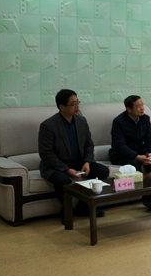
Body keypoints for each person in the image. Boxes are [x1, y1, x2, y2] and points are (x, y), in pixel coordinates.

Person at [39, 89, 110, 217]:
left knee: (103, 171)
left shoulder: (81, 121)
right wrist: (67, 170)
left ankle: (84, 207)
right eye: (73, 104)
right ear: (61, 107)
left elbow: (89, 144)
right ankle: (67, 211)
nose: (77, 106)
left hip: (80, 163)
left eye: (78, 102)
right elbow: (46, 154)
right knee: (62, 180)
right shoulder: (48, 126)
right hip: (56, 167)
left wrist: (87, 162)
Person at [109, 95, 151, 211]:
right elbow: (119, 146)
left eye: (142, 105)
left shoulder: (145, 119)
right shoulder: (119, 122)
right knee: (134, 164)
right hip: (121, 154)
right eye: (138, 106)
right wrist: (137, 157)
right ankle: (145, 196)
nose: (142, 108)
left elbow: (150, 139)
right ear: (129, 109)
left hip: (140, 151)